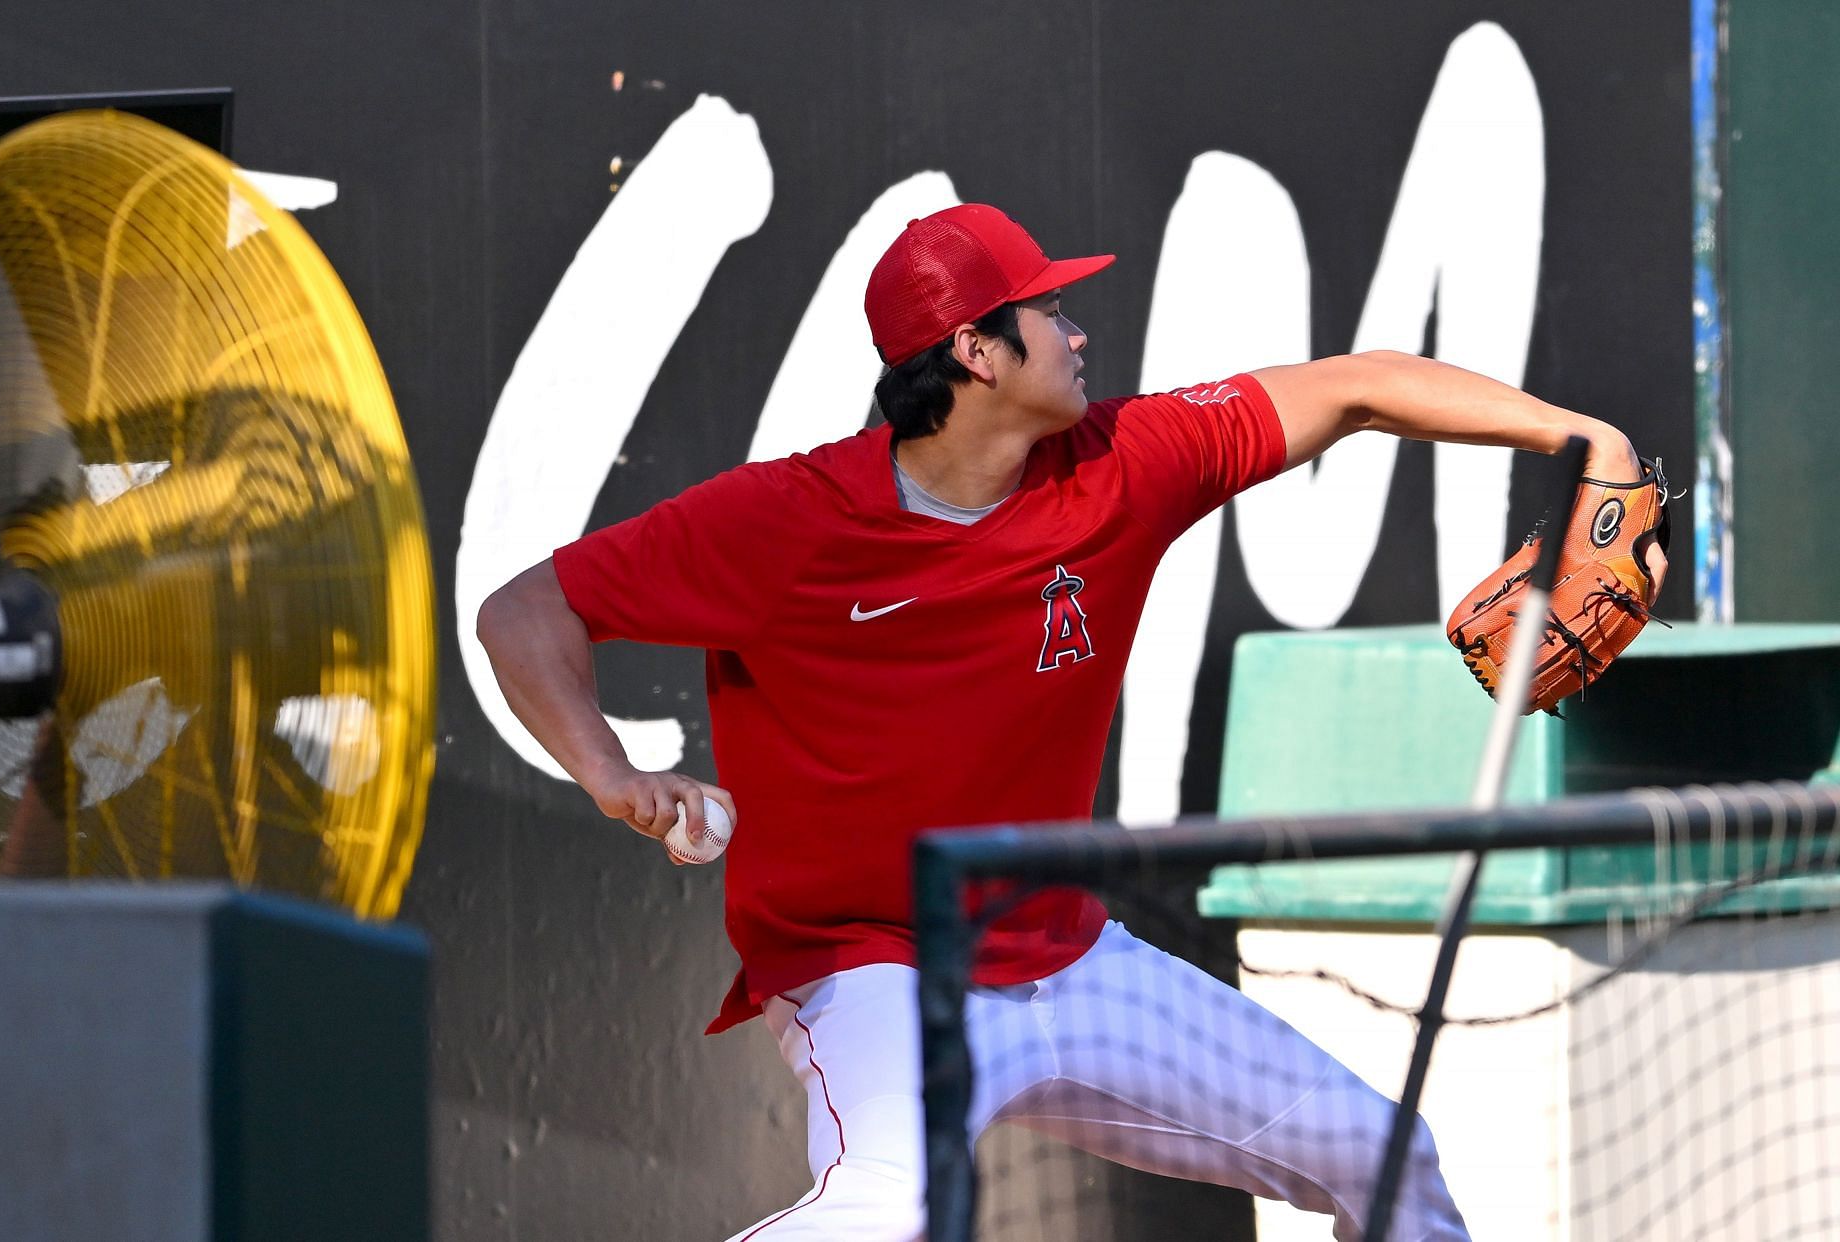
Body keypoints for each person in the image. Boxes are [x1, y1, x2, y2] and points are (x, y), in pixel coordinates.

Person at [477, 203, 1665, 1240]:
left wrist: (1585, 439)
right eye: (1050, 310)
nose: (1081, 329)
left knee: (1387, 1156)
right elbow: (527, 611)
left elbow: (1353, 388)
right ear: (976, 352)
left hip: (1068, 958)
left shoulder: (1123, 464)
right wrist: (606, 769)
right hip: (875, 965)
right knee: (892, 1206)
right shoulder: (785, 521)